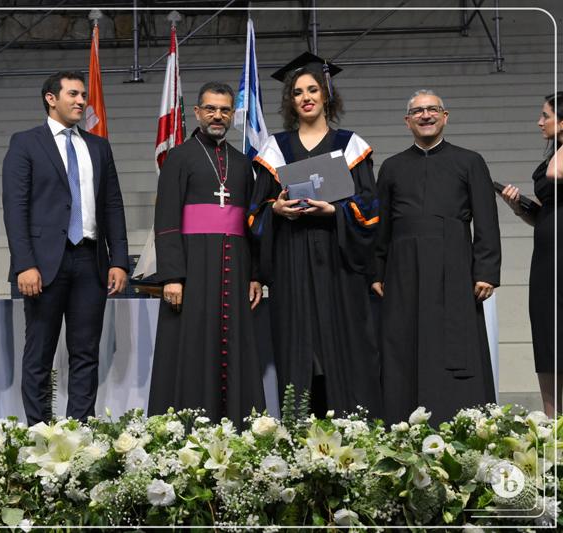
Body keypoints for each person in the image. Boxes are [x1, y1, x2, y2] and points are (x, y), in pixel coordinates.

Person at [248, 53, 382, 418]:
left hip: (338, 260)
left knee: (345, 342)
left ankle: (353, 426)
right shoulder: (276, 149)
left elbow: (370, 208)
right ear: (290, 101)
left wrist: (335, 211)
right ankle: (299, 428)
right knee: (297, 345)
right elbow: (255, 211)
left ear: (326, 94)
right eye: (297, 92)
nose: (306, 97)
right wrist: (276, 210)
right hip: (291, 259)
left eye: (312, 89)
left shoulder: (351, 145)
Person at [2, 71, 129, 425]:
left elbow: (113, 205)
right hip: (43, 265)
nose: (81, 101)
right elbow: (15, 209)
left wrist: (119, 260)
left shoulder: (98, 146)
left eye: (83, 95)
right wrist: (24, 264)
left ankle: (80, 429)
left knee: (86, 353)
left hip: (91, 261)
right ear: (51, 98)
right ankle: (39, 431)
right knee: (39, 353)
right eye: (73, 94)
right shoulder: (25, 143)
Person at [374, 90, 501, 425]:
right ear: (407, 121)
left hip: (454, 268)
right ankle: (402, 423)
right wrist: (377, 271)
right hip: (403, 271)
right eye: (418, 111)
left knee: (454, 344)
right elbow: (381, 225)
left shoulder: (470, 161)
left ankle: (459, 422)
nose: (426, 115)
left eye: (432, 109)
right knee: (403, 343)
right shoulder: (391, 167)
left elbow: (486, 220)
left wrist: (486, 270)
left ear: (445, 116)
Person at [148, 82, 265, 426]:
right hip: (194, 266)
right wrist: (172, 276)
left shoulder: (242, 163)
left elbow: (252, 224)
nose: (218, 116)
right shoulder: (179, 158)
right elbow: (166, 219)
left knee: (233, 343)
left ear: (232, 115)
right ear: (197, 112)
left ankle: (237, 422)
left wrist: (255, 274)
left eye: (225, 110)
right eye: (211, 109)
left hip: (235, 266)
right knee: (192, 342)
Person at [499, 92, 562, 417]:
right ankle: (552, 421)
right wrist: (518, 207)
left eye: (546, 115)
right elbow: (542, 214)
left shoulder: (557, 161)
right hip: (546, 260)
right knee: (547, 334)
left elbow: (555, 174)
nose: (539, 122)